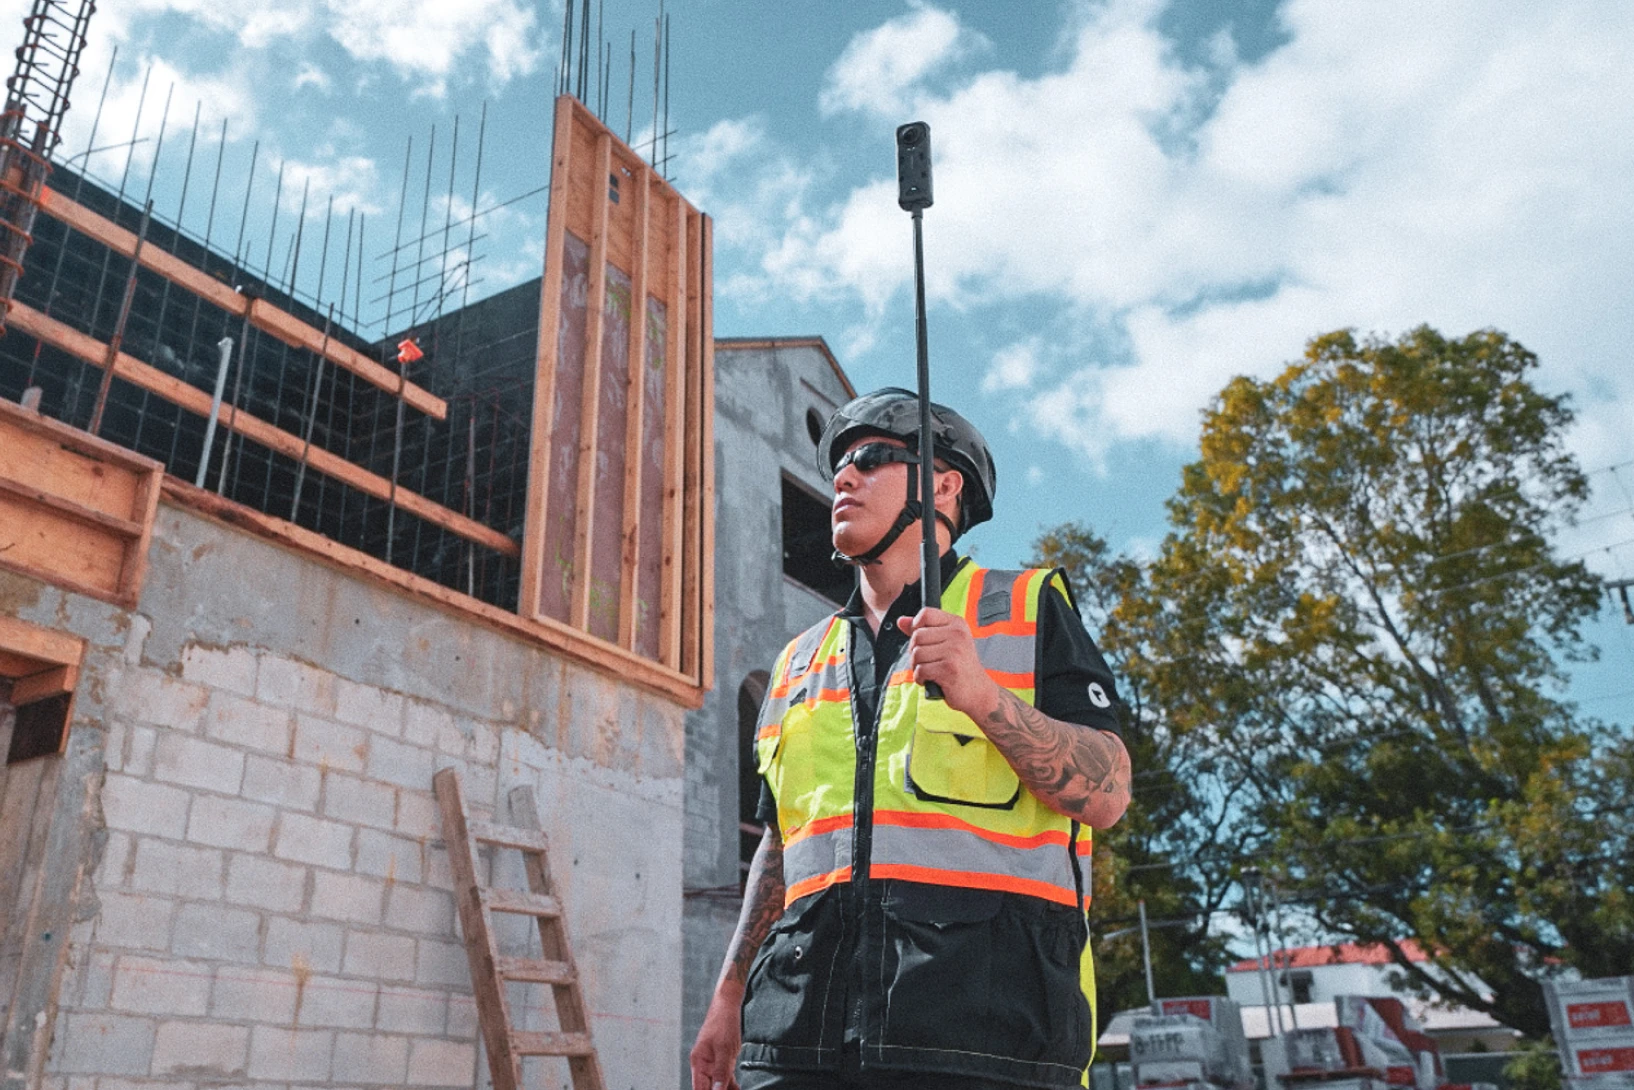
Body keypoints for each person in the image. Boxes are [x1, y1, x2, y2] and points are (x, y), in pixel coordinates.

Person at [690, 388, 1131, 1090]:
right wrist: (728, 996)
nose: (842, 477)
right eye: (838, 464)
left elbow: (1107, 791)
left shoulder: (1025, 607)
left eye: (869, 457)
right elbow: (782, 844)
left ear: (944, 484)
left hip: (984, 1036)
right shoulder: (798, 663)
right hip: (799, 1039)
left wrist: (982, 695)